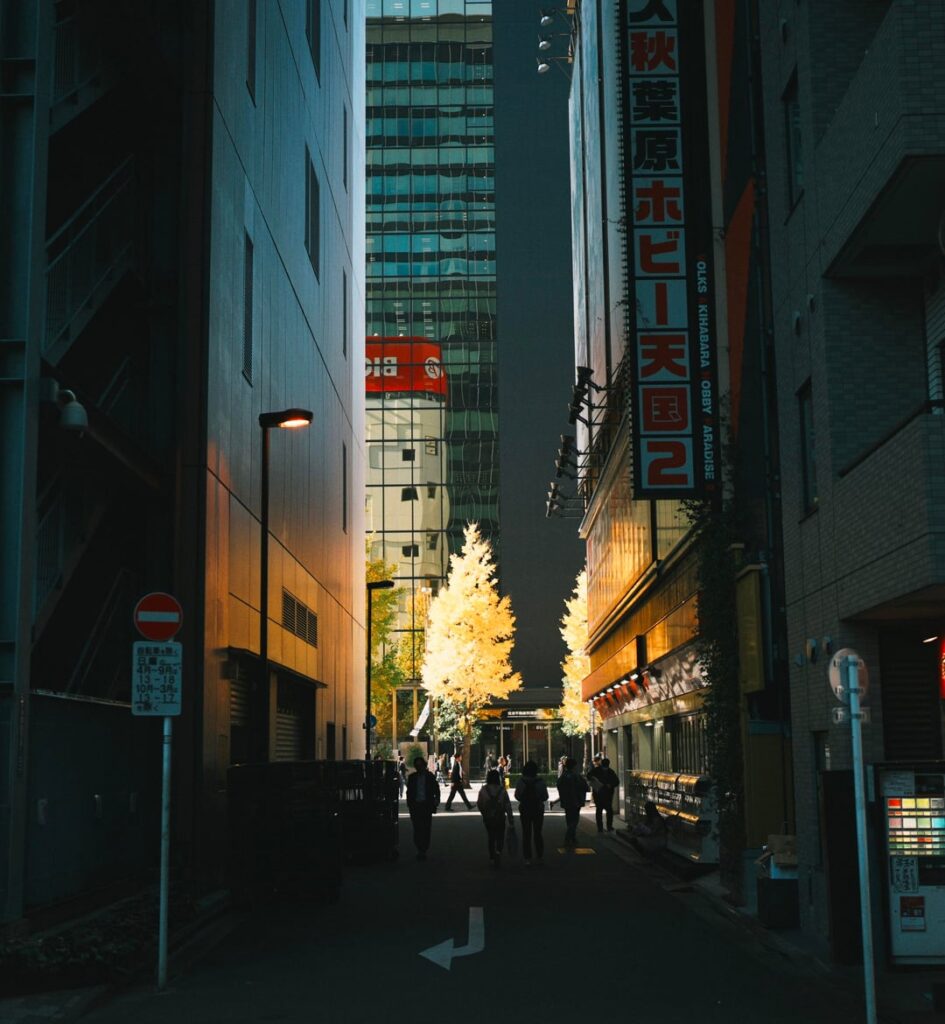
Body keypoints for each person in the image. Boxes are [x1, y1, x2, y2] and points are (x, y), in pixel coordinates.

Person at [477, 768, 514, 867]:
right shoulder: (502, 790)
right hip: (500, 817)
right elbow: (508, 805)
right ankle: (498, 851)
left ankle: (492, 857)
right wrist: (511, 820)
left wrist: (484, 813)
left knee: (491, 837)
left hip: (488, 817)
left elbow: (479, 803)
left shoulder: (484, 790)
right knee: (500, 836)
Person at [514, 760, 549, 865]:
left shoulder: (521, 781)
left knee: (526, 833)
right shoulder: (540, 782)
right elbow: (545, 797)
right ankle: (539, 854)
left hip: (525, 809)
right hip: (538, 809)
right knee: (538, 832)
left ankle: (527, 857)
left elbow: (517, 796)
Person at [406, 757, 440, 860]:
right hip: (416, 806)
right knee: (417, 828)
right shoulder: (412, 777)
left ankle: (423, 849)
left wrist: (436, 800)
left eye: (421, 765)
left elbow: (436, 789)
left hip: (426, 806)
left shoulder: (430, 777)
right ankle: (419, 848)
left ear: (424, 766)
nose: (419, 767)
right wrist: (410, 804)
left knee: (426, 828)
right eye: (417, 765)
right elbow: (409, 792)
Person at [555, 757, 588, 847]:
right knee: (574, 820)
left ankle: (572, 837)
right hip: (576, 801)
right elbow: (585, 787)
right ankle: (569, 836)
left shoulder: (563, 776)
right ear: (574, 766)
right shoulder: (577, 776)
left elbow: (559, 786)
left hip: (566, 801)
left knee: (569, 819)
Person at [588, 756, 619, 832]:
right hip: (603, 793)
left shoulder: (597, 770)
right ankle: (607, 826)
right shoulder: (610, 771)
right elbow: (616, 781)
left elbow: (616, 781)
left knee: (600, 810)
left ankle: (602, 827)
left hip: (602, 793)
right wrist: (611, 785)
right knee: (607, 810)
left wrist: (610, 785)